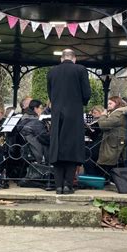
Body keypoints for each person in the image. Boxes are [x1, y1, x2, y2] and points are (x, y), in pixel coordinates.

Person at [47, 48, 91, 194]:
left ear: (61, 59)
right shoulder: (80, 70)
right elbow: (86, 94)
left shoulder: (52, 71)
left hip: (56, 113)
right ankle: (68, 185)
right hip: (74, 114)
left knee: (57, 148)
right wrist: (80, 102)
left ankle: (58, 186)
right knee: (72, 149)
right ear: (74, 59)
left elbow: (50, 94)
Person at [95, 96, 127, 176]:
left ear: (117, 103)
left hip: (113, 142)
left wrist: (103, 115)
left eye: (110, 103)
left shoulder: (118, 113)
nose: (108, 105)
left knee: (106, 161)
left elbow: (104, 125)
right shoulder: (118, 112)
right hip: (113, 140)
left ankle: (105, 178)